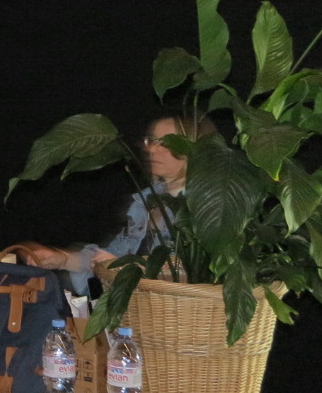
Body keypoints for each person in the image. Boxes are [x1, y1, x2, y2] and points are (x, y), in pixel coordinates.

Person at [21, 113, 210, 293]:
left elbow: (195, 275)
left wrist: (129, 267)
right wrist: (62, 259)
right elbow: (111, 254)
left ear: (192, 147)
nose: (151, 149)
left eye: (165, 143)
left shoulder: (207, 206)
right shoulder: (145, 201)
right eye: (151, 141)